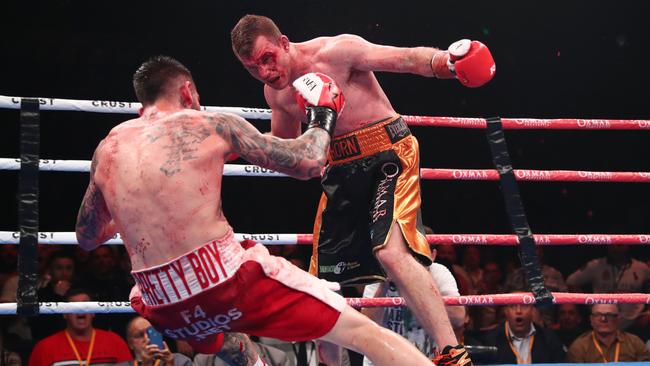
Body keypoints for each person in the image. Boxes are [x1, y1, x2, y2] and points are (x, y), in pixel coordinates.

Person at [75, 55, 439, 366]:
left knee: (228, 339)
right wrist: (322, 114)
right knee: (362, 332)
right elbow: (308, 162)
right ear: (187, 91)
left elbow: (87, 236)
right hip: (225, 280)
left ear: (142, 106)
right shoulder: (211, 124)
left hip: (162, 301)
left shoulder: (108, 148)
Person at [231, 14, 495, 364]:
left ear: (284, 43)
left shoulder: (336, 51)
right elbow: (290, 157)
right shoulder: (276, 93)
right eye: (252, 68)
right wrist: (238, 144)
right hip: (339, 170)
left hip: (388, 151)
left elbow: (406, 59)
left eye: (267, 58)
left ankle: (454, 355)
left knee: (390, 251)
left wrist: (449, 62)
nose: (264, 72)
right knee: (320, 285)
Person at [28, 289, 133, 366]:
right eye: (74, 306)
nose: (81, 310)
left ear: (93, 312)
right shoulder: (45, 348)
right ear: (64, 313)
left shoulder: (115, 342)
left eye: (85, 306)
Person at [481, 295, 566, 364]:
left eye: (524, 305)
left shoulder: (549, 339)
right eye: (513, 306)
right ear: (506, 311)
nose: (518, 311)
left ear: (532, 310)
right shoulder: (491, 340)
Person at [567, 304, 650, 363]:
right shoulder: (579, 347)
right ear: (591, 320)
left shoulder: (635, 343)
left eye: (609, 315)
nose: (603, 319)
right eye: (598, 315)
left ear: (618, 319)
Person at [116, 316, 192, 366]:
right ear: (130, 343)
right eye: (139, 335)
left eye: (150, 332)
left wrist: (170, 364)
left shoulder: (180, 361)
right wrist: (146, 364)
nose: (146, 338)